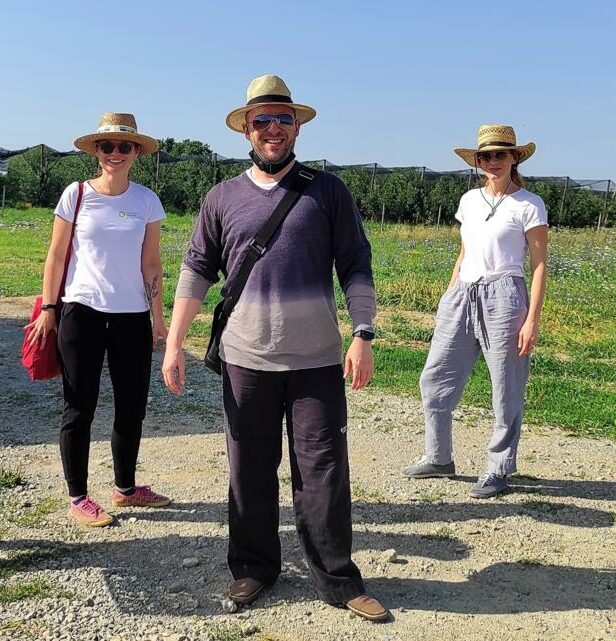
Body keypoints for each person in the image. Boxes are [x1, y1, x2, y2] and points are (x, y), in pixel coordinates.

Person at [161, 75, 389, 623]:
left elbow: (355, 263)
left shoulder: (327, 192)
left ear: (297, 128)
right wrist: (174, 343)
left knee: (324, 470)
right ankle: (253, 569)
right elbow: (196, 271)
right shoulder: (221, 197)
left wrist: (363, 333)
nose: (272, 130)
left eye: (283, 120)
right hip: (246, 359)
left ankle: (338, 578)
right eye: (261, 120)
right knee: (249, 468)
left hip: (315, 360)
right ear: (246, 129)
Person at [25, 113, 171, 527]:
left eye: (125, 146)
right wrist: (50, 310)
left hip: (131, 317)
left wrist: (158, 319)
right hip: (81, 313)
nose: (115, 153)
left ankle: (126, 489)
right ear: (96, 151)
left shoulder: (146, 201)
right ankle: (79, 496)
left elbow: (151, 263)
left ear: (136, 152)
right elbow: (55, 255)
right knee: (79, 406)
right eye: (107, 146)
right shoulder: (76, 195)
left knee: (131, 406)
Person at [402, 124, 548, 498]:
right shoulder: (469, 201)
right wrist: (450, 294)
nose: (492, 161)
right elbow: (465, 252)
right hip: (463, 293)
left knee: (505, 385)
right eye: (485, 156)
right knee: (434, 378)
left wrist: (531, 319)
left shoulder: (530, 204)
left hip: (506, 296)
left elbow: (539, 265)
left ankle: (499, 467)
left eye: (500, 154)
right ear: (477, 161)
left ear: (514, 157)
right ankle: (439, 458)